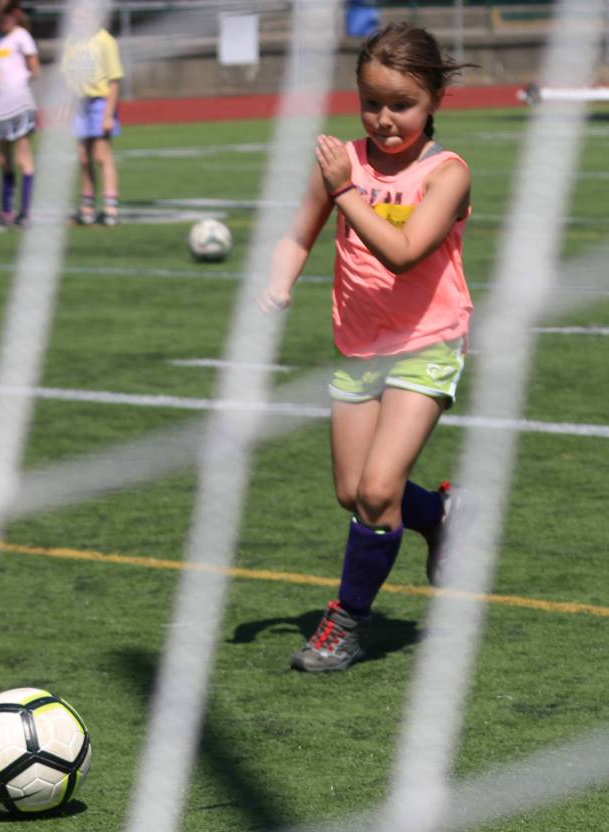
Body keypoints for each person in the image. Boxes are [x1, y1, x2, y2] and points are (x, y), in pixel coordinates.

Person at [260, 23, 474, 673]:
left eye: (400, 104)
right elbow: (297, 235)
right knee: (354, 492)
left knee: (378, 487)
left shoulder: (447, 173)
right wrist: (276, 282)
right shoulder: (342, 164)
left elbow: (404, 254)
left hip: (426, 343)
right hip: (359, 350)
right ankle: (437, 511)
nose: (383, 120)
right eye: (370, 103)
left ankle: (346, 622)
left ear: (434, 97)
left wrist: (345, 190)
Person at [61, 8, 124, 226]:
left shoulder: (105, 41)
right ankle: (86, 207)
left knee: (101, 155)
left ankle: (110, 207)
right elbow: (68, 78)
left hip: (99, 103)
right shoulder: (72, 41)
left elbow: (114, 81)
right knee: (83, 157)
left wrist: (108, 115)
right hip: (80, 104)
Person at [0, 0, 40, 227]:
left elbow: (35, 70)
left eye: (6, 15)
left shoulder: (22, 37)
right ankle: (6, 211)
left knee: (23, 158)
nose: (2, 20)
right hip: (0, 106)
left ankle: (26, 212)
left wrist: (18, 86)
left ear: (15, 14)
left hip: (18, 104)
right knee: (3, 159)